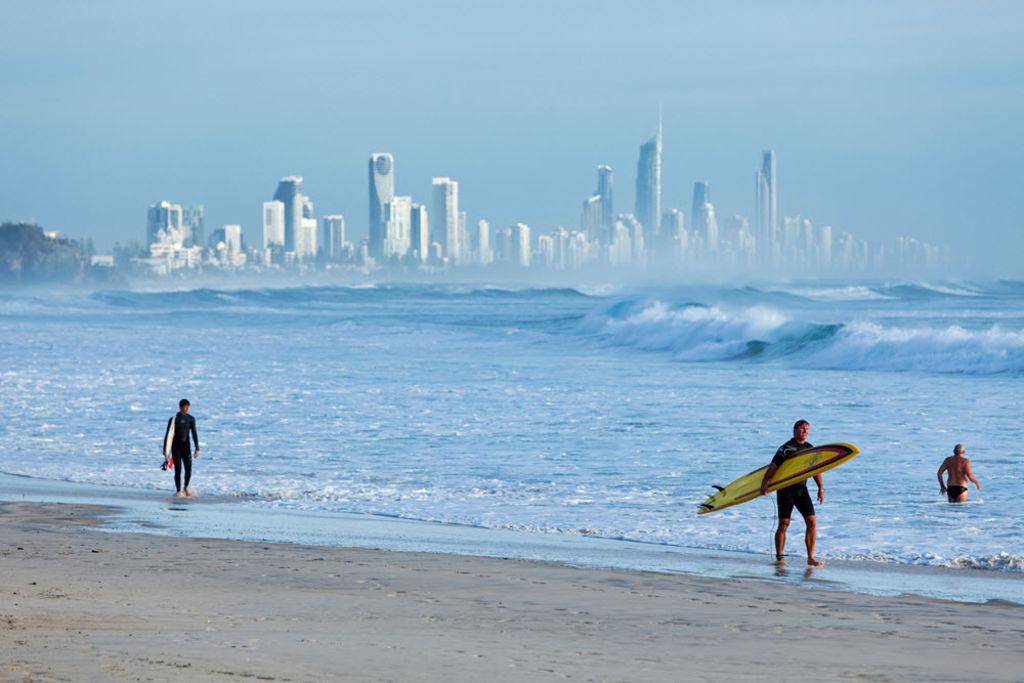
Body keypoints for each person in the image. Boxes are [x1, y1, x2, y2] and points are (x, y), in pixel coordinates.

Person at [759, 420, 825, 567]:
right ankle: (780, 557)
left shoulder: (810, 449)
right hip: (786, 490)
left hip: (802, 490)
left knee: (812, 522)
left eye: (807, 429)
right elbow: (773, 466)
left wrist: (821, 488)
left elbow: (816, 470)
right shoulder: (786, 448)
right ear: (794, 430)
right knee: (784, 523)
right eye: (802, 429)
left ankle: (811, 557)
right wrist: (764, 484)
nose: (805, 432)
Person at [163, 399, 200, 497]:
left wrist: (197, 448)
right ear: (180, 407)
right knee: (178, 470)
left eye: (188, 407)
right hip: (176, 448)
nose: (187, 409)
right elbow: (168, 435)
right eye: (185, 407)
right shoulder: (174, 419)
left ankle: (186, 486)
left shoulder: (191, 419)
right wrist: (165, 450)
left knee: (188, 469)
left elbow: (194, 434)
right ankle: (179, 490)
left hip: (186, 447)